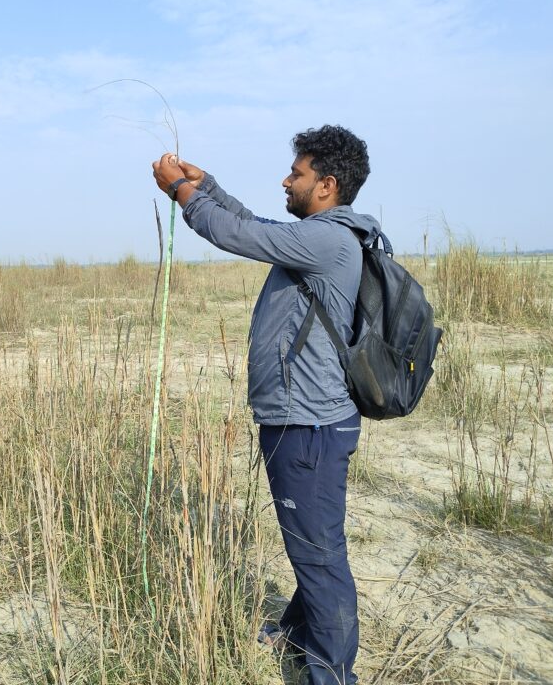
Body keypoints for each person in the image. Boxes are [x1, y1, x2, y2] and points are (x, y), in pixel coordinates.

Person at [151, 126, 381, 685]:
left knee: (319, 556)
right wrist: (211, 186)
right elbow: (256, 226)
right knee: (314, 541)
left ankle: (331, 675)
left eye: (297, 173)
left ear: (326, 185)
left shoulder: (329, 241)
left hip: (308, 425)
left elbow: (237, 237)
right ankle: (299, 636)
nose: (286, 178)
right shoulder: (322, 234)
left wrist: (183, 191)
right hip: (304, 420)